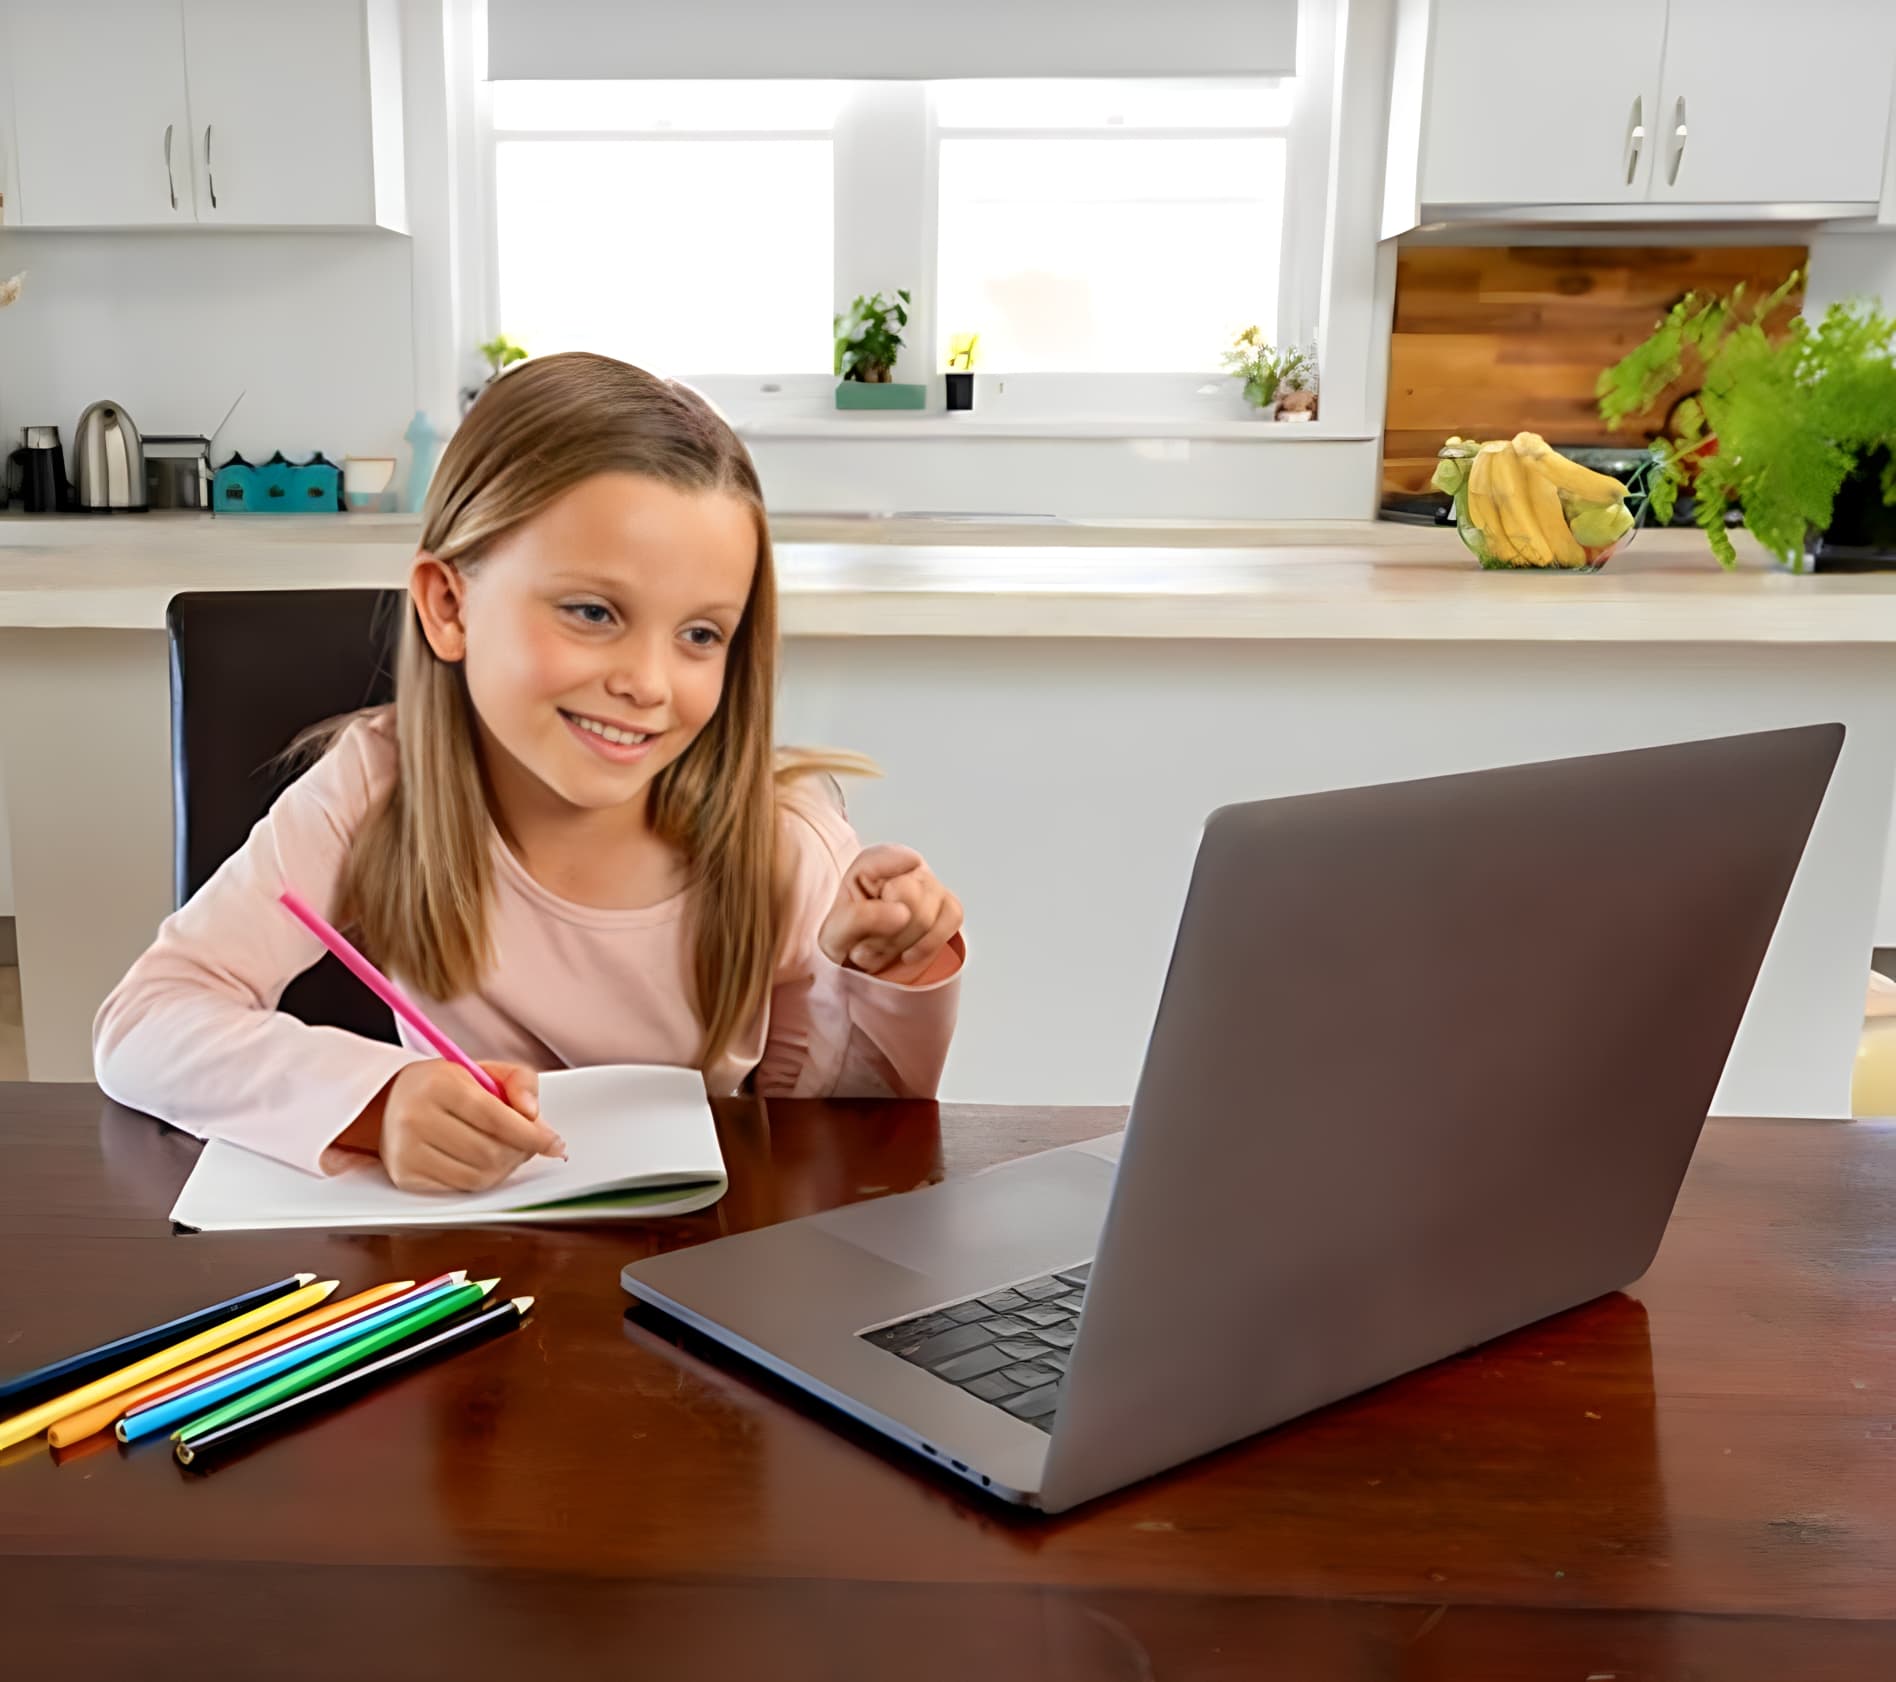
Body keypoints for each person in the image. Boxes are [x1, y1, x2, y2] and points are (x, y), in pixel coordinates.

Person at [95, 353, 964, 1193]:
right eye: (592, 612)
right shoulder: (377, 787)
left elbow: (831, 1142)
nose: (648, 684)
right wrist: (377, 1100)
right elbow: (146, 1021)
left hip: (694, 1285)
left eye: (700, 634)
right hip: (458, 1287)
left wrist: (892, 983)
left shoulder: (783, 839)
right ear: (448, 605)